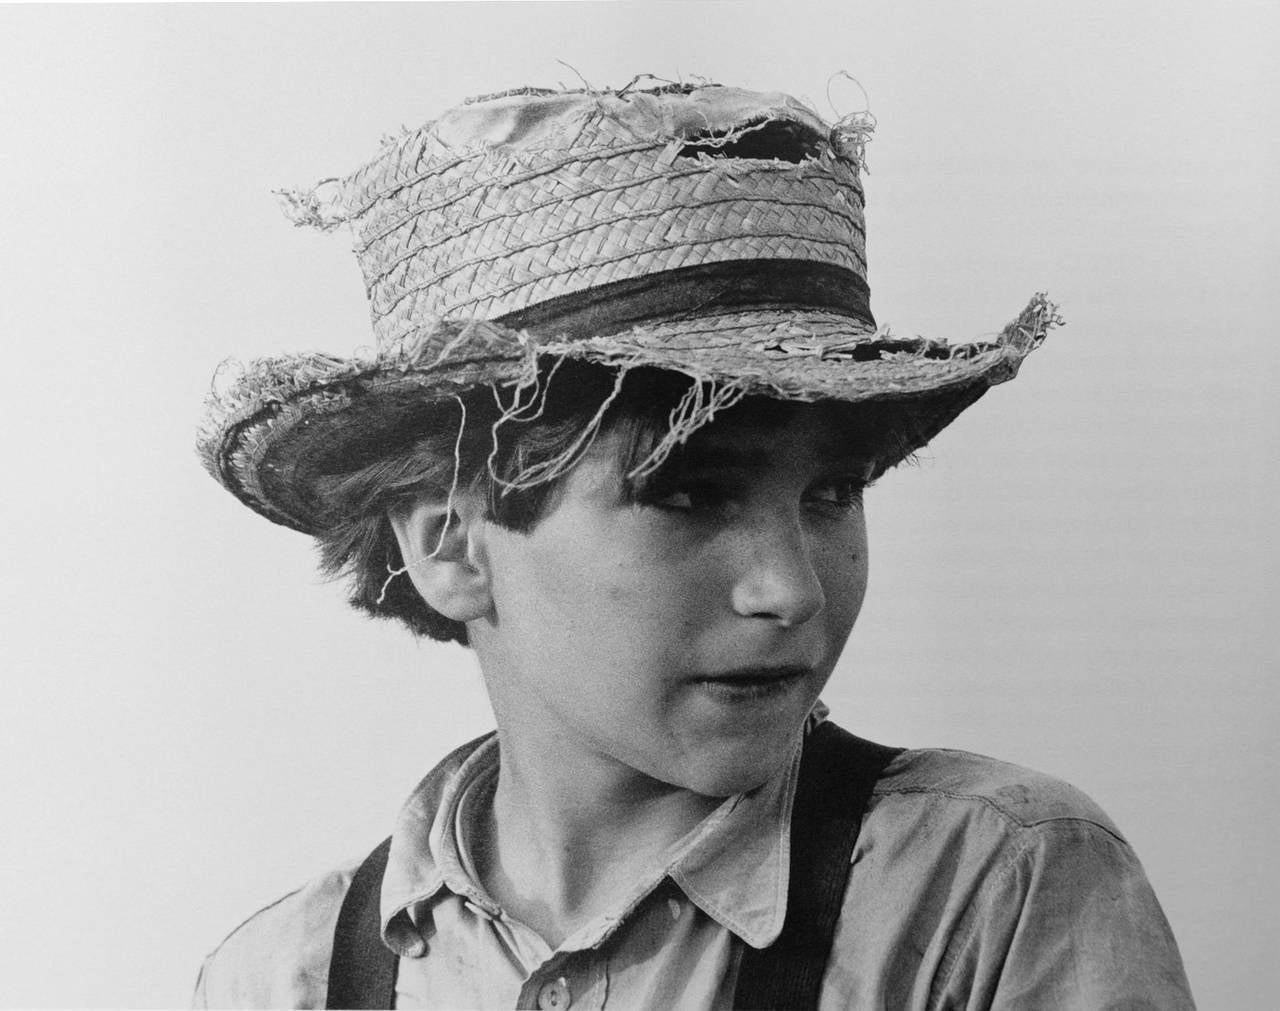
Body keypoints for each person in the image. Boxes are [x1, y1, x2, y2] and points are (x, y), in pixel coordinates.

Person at [194, 80, 1195, 1009]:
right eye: (687, 494)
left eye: (831, 492)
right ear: (453, 550)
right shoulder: (289, 977)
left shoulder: (984, 888)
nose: (788, 590)